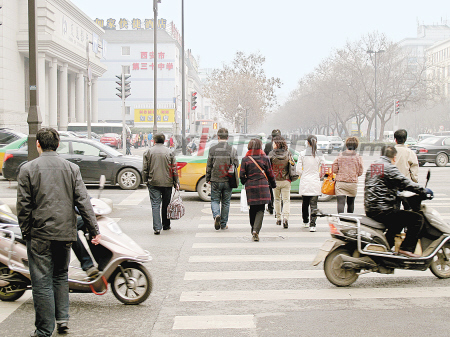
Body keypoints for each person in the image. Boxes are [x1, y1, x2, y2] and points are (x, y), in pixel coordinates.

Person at [16, 128, 101, 337]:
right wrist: (93, 230)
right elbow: (83, 201)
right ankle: (62, 320)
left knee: (41, 281)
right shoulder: (71, 168)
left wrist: (26, 231)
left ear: (38, 144)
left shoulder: (28, 169)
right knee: (60, 275)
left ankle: (44, 329)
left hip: (39, 234)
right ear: (58, 143)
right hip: (65, 233)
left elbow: (23, 206)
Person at [365, 146, 427, 258]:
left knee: (397, 222)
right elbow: (404, 182)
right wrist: (423, 190)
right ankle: (406, 249)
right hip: (383, 209)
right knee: (417, 219)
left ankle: (386, 248)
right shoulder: (389, 167)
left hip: (371, 208)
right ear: (394, 157)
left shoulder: (373, 166)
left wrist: (397, 192)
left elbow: (380, 185)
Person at [143, 133, 180, 235]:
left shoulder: (148, 152)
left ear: (154, 141)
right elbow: (174, 169)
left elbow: (145, 169)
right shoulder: (170, 152)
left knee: (155, 204)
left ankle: (157, 227)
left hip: (153, 181)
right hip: (167, 182)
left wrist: (145, 180)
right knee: (166, 204)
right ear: (164, 141)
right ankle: (166, 224)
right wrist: (176, 181)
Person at [240, 138, 276, 241]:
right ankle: (256, 230)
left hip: (250, 186)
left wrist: (245, 181)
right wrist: (273, 185)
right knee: (261, 209)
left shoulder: (245, 159)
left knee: (252, 208)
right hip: (263, 186)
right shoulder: (265, 158)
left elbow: (242, 175)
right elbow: (270, 173)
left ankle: (253, 229)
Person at [206, 128, 239, 230]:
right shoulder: (232, 150)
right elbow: (236, 164)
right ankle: (223, 224)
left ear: (218, 136)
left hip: (215, 179)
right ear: (228, 137)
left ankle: (216, 215)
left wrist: (208, 178)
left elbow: (209, 165)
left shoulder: (212, 149)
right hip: (228, 180)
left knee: (215, 200)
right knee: (226, 202)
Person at [296, 135, 325, 232]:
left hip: (305, 180)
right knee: (314, 205)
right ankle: (313, 225)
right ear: (315, 142)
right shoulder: (319, 154)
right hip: (315, 181)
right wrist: (319, 175)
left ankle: (305, 221)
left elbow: (298, 169)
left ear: (307, 142)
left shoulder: (302, 154)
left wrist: (303, 174)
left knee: (305, 203)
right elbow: (324, 168)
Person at [332, 136, 364, 213]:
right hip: (352, 183)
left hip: (341, 182)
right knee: (351, 203)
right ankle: (349, 220)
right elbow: (360, 171)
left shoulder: (340, 155)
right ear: (356, 146)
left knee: (340, 203)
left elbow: (334, 169)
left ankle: (341, 220)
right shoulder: (358, 157)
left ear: (346, 145)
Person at [268, 136, 291, 228]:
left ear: (277, 144)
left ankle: (278, 218)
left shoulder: (271, 154)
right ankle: (286, 217)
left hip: (275, 180)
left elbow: (267, 166)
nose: (272, 144)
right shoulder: (288, 153)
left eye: (274, 143)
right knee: (286, 200)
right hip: (286, 180)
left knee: (277, 199)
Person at [394, 129, 419, 210]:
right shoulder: (410, 152)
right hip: (406, 184)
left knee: (395, 209)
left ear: (395, 140)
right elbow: (414, 169)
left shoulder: (390, 152)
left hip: (393, 185)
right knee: (408, 209)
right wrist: (414, 182)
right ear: (405, 139)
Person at [264, 129, 281, 215]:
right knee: (280, 191)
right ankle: (279, 208)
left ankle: (270, 207)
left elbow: (264, 158)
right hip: (281, 171)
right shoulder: (283, 145)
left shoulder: (268, 146)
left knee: (270, 189)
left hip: (270, 170)